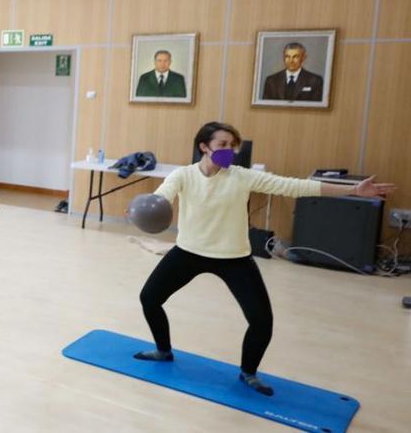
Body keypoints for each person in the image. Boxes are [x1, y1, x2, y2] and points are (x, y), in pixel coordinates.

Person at [134, 121, 395, 396]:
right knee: (149, 298)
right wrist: (143, 209)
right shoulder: (183, 175)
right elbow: (160, 198)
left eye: (233, 146)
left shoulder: (241, 176)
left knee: (261, 321)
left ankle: (249, 373)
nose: (229, 151)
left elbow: (294, 186)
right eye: (222, 145)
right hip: (188, 252)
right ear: (204, 146)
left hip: (233, 257)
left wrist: (353, 190)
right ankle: (163, 351)